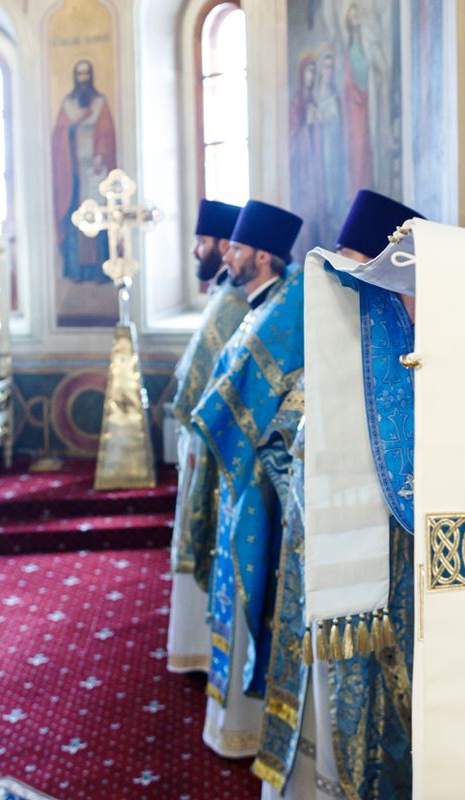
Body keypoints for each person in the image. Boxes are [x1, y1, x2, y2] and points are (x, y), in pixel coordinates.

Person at [256, 189, 423, 800]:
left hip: (389, 576)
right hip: (318, 559)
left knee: (381, 714)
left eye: (354, 268)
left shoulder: (418, 358)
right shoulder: (333, 348)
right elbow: (284, 440)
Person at [191, 200, 304, 758]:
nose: (227, 256)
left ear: (262, 255)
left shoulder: (284, 309)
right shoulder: (258, 307)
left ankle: (246, 724)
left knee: (250, 586)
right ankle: (229, 720)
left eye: (236, 248)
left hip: (256, 481)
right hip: (238, 477)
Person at [167, 199, 250, 675]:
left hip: (213, 442)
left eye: (202, 241)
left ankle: (199, 649)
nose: (196, 250)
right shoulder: (226, 292)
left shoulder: (234, 301)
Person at [52, 59, 119, 283]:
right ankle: (76, 270)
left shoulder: (100, 103)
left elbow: (107, 134)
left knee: (99, 216)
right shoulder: (68, 105)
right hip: (73, 173)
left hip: (95, 170)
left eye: (86, 74)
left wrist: (100, 155)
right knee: (75, 219)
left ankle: (100, 271)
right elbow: (58, 136)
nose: (83, 79)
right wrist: (72, 127)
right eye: (79, 74)